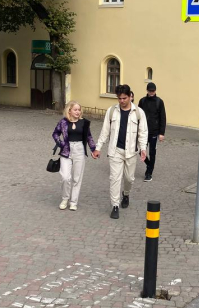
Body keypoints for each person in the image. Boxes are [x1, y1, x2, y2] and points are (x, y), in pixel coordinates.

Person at [94, 84, 148, 219]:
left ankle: (126, 194)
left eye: (124, 98)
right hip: (115, 151)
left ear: (130, 96)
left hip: (131, 151)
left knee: (129, 178)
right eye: (119, 99)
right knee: (114, 178)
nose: (122, 101)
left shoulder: (139, 113)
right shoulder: (112, 111)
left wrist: (143, 149)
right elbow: (105, 131)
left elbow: (143, 132)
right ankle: (115, 205)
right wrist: (98, 147)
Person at [52, 101, 96, 211]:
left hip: (79, 150)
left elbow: (89, 137)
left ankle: (73, 202)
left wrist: (94, 149)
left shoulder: (84, 123)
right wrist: (61, 144)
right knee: (65, 177)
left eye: (79, 109)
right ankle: (65, 198)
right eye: (75, 109)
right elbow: (55, 134)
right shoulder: (63, 122)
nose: (78, 111)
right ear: (69, 110)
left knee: (77, 178)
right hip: (66, 151)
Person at [138, 82, 167, 182]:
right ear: (147, 91)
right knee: (140, 151)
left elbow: (162, 117)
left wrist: (161, 133)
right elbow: (138, 116)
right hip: (143, 131)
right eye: (150, 91)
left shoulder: (159, 102)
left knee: (152, 153)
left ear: (155, 91)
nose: (151, 92)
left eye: (153, 91)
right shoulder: (142, 101)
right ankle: (150, 165)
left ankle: (149, 173)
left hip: (154, 132)